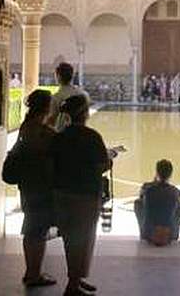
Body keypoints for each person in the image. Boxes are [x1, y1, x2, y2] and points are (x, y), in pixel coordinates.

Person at [51, 95, 111, 296]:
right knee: (84, 239)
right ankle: (73, 284)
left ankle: (75, 278)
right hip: (85, 195)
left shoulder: (59, 137)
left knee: (70, 239)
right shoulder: (92, 137)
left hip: (62, 193)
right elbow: (102, 165)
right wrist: (110, 160)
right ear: (84, 113)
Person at [15, 89, 57, 288]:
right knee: (38, 230)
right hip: (41, 185)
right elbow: (54, 148)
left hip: (28, 184)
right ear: (46, 107)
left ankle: (30, 271)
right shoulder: (42, 132)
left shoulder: (26, 127)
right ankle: (34, 274)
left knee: (31, 227)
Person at [133, 159, 180, 245]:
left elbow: (142, 197)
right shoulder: (175, 191)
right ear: (170, 174)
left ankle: (143, 231)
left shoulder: (147, 189)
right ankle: (175, 231)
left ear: (157, 172)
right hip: (169, 234)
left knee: (138, 203)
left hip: (149, 233)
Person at [50, 62, 89, 132]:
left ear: (58, 76)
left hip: (63, 134)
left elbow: (52, 119)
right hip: (81, 132)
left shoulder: (57, 97)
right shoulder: (84, 94)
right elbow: (87, 115)